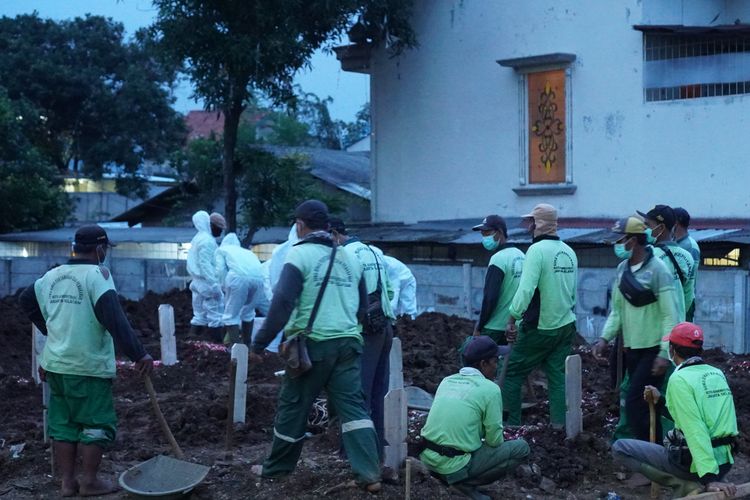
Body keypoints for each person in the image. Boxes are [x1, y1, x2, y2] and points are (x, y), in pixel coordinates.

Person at [249, 200, 382, 492]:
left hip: (312, 347)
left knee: (293, 407)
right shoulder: (349, 259)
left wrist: (258, 345)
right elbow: (363, 306)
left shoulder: (299, 256)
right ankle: (370, 474)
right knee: (354, 409)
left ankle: (276, 470)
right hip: (348, 344)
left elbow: (282, 303)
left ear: (299, 225)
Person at [18, 225, 153, 497]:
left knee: (64, 423)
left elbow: (25, 299)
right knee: (96, 423)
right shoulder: (98, 275)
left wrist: (51, 330)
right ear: (100, 248)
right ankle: (89, 481)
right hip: (88, 366)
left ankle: (67, 483)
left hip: (56, 364)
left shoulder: (52, 275)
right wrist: (139, 353)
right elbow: (114, 318)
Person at [611, 322, 738, 498]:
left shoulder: (679, 379)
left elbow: (695, 429)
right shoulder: (716, 373)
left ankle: (685, 485)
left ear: (672, 350)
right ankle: (698, 480)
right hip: (725, 460)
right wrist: (660, 402)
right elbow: (701, 417)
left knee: (620, 448)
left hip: (697, 467)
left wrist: (709, 478)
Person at [592, 215, 680, 443]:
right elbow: (617, 311)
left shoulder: (658, 270)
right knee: (642, 406)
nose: (616, 245)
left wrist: (663, 352)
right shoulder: (622, 269)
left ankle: (655, 459)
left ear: (633, 240)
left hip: (653, 351)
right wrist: (604, 338)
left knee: (635, 404)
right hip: (632, 349)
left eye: (620, 240)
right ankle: (654, 456)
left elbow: (670, 314)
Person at [419, 336, 530, 500]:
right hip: (454, 465)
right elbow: (494, 441)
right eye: (495, 360)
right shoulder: (490, 389)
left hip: (428, 459)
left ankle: (448, 478)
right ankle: (463, 484)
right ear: (483, 364)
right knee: (521, 448)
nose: (497, 365)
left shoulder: (447, 381)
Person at [503, 203, 578, 427]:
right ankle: (559, 426)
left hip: (541, 327)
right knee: (556, 378)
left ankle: (512, 426)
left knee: (512, 373)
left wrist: (512, 318)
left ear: (540, 223)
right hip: (566, 326)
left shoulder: (536, 251)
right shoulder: (569, 251)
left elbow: (526, 290)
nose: (528, 227)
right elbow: (572, 291)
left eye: (531, 222)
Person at [329, 217, 396, 462]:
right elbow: (389, 291)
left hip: (364, 331)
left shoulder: (344, 255)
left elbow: (343, 296)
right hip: (385, 326)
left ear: (335, 234)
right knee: (378, 392)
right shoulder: (374, 251)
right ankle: (377, 451)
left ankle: (355, 452)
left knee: (358, 394)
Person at [471, 214, 525, 346]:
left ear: (500, 232)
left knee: (471, 357)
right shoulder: (522, 256)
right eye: (482, 234)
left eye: (487, 233)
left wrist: (479, 326)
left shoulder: (498, 259)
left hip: (494, 327)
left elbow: (490, 297)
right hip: (515, 327)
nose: (484, 238)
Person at [638, 204, 695, 322]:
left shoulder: (648, 255)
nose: (644, 229)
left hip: (654, 329)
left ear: (661, 228)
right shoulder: (687, 257)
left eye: (648, 225)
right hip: (678, 330)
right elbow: (688, 298)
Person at [215, 232, 270, 345]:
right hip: (259, 280)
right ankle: (247, 347)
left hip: (238, 278)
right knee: (248, 313)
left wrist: (224, 287)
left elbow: (220, 270)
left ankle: (237, 350)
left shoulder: (221, 250)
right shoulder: (247, 252)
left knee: (231, 315)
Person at [186, 210, 225, 342]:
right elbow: (205, 264)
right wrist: (214, 283)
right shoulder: (208, 241)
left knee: (199, 314)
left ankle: (192, 343)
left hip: (196, 282)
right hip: (206, 283)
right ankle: (218, 346)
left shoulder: (197, 238)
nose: (221, 232)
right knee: (216, 314)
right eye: (219, 229)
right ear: (212, 226)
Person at [673, 207, 700, 321]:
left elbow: (687, 278)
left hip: (684, 301)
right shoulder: (675, 243)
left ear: (676, 222)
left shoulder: (690, 246)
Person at [382, 255, 418, 319]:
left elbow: (392, 303)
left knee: (408, 311)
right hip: (394, 277)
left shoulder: (389, 265)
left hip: (405, 279)